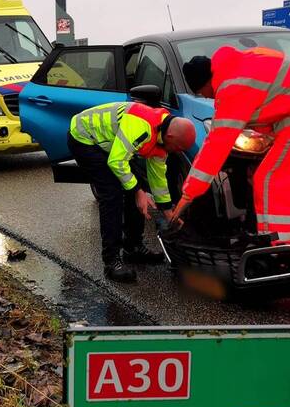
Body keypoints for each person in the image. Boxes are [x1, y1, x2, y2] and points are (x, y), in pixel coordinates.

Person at [167, 46, 290, 246]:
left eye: (202, 93)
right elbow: (268, 112)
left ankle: (280, 254)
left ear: (204, 84)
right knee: (281, 183)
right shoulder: (239, 66)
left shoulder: (232, 85)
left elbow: (217, 144)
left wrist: (189, 193)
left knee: (273, 182)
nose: (207, 98)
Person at [68, 101, 197, 282]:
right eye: (179, 147)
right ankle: (111, 262)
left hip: (111, 145)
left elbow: (158, 178)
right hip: (84, 138)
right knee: (112, 196)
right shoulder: (142, 126)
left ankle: (133, 247)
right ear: (170, 136)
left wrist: (168, 212)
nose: (178, 152)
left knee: (137, 187)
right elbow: (116, 162)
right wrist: (137, 191)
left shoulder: (162, 139)